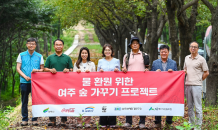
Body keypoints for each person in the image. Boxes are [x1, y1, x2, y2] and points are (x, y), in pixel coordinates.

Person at [44, 39, 73, 126]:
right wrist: (50, 70)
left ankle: (63, 119)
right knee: (52, 100)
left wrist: (68, 70)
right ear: (54, 46)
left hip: (64, 84)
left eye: (60, 45)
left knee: (63, 100)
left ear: (63, 46)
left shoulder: (67, 58)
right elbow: (45, 69)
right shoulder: (50, 57)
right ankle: (52, 119)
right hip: (52, 84)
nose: (58, 46)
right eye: (57, 45)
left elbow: (71, 69)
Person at [122, 37, 149, 129]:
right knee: (129, 102)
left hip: (142, 83)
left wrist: (147, 69)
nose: (135, 44)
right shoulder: (127, 56)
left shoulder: (145, 55)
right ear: (130, 45)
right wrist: (124, 69)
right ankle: (128, 121)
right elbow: (123, 68)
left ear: (139, 45)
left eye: (136, 43)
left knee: (142, 102)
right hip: (130, 83)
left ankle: (142, 122)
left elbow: (147, 67)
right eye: (133, 43)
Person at [16, 38, 44, 126]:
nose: (31, 45)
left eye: (33, 43)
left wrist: (38, 71)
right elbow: (18, 68)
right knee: (24, 100)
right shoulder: (21, 55)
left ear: (35, 45)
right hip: (24, 82)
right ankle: (25, 119)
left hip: (36, 83)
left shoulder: (39, 56)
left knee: (35, 101)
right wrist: (24, 76)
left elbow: (42, 69)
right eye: (29, 43)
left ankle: (35, 119)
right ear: (26, 45)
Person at [184, 41, 209, 130]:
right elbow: (185, 70)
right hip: (187, 85)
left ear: (198, 49)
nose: (193, 48)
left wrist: (199, 80)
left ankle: (198, 126)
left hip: (197, 86)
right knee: (189, 107)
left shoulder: (201, 59)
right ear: (189, 48)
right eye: (191, 46)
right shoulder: (186, 58)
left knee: (198, 107)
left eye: (195, 47)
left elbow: (206, 73)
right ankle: (191, 124)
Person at [151, 44, 177, 129]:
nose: (164, 53)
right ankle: (157, 121)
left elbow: (177, 75)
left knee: (170, 104)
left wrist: (172, 72)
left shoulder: (173, 63)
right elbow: (150, 75)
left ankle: (169, 122)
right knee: (158, 104)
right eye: (162, 52)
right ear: (160, 52)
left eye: (165, 51)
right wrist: (155, 73)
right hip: (159, 88)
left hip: (170, 88)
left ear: (168, 52)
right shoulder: (155, 63)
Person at [97, 44, 120, 128]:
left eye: (109, 50)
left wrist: (117, 70)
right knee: (103, 103)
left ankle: (112, 121)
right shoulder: (100, 61)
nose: (107, 51)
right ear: (103, 52)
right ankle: (103, 122)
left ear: (112, 51)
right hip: (103, 86)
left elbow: (120, 74)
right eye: (106, 50)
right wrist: (100, 71)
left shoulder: (116, 60)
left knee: (112, 103)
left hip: (113, 86)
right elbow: (97, 74)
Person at [73, 47, 96, 127]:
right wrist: (77, 72)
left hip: (89, 87)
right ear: (80, 54)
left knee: (88, 104)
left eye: (86, 53)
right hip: (79, 87)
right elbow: (73, 76)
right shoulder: (76, 64)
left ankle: (87, 121)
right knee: (79, 104)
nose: (84, 55)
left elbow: (95, 76)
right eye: (82, 53)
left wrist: (90, 73)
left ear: (88, 54)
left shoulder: (92, 64)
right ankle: (79, 121)